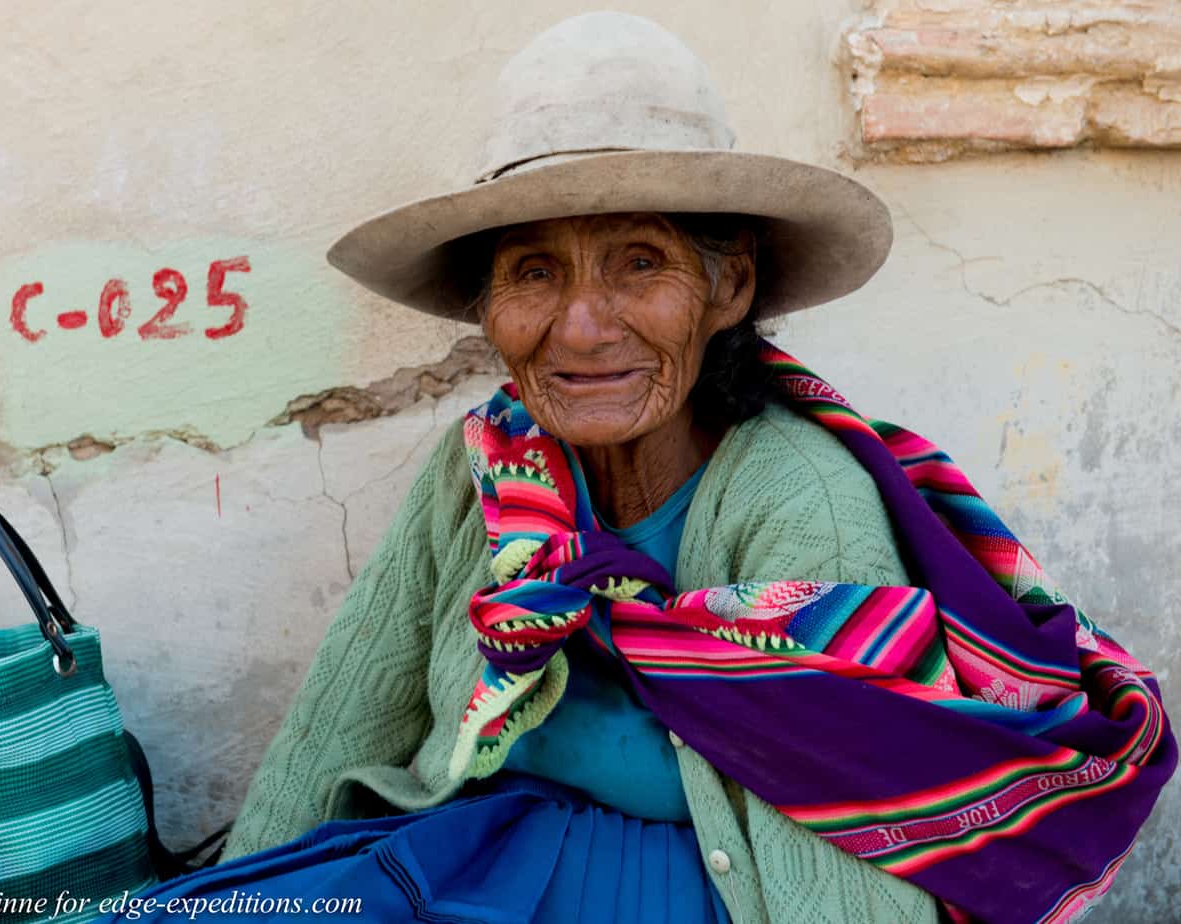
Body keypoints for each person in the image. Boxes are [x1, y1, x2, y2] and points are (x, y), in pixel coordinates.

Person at [111, 13, 1174, 924]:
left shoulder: (798, 498)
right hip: (475, 859)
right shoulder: (487, 466)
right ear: (489, 308)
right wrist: (242, 894)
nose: (582, 328)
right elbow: (346, 713)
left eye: (639, 263)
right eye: (535, 272)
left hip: (693, 891)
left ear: (728, 289)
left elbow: (855, 826)